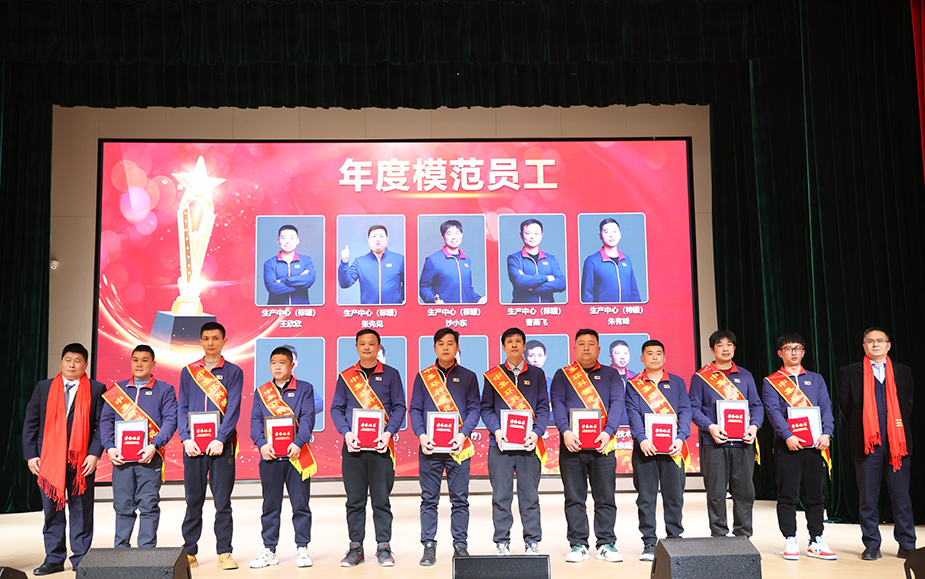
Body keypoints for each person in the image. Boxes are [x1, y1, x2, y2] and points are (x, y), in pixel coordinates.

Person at [23, 343, 106, 575]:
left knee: (82, 511)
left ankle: (81, 559)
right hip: (49, 459)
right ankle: (54, 558)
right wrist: (31, 454)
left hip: (82, 462)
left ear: (85, 365)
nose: (71, 365)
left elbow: (101, 425)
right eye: (68, 360)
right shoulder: (44, 387)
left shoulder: (96, 389)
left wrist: (94, 454)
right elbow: (31, 421)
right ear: (61, 362)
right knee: (51, 510)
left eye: (77, 361)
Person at [837, 327, 915, 560]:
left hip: (898, 445)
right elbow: (846, 407)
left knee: (901, 497)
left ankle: (907, 544)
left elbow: (907, 406)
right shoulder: (850, 372)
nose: (876, 345)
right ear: (864, 346)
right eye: (870, 341)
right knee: (868, 498)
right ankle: (871, 544)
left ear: (888, 345)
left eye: (880, 341)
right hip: (867, 444)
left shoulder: (903, 371)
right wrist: (867, 428)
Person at [330, 329, 407, 567]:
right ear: (356, 347)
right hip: (353, 448)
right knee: (355, 501)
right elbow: (336, 408)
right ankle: (356, 548)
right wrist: (346, 432)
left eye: (371, 344)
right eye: (362, 343)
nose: (366, 347)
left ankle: (384, 547)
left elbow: (399, 407)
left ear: (378, 347)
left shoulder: (391, 374)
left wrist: (388, 432)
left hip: (381, 447)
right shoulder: (346, 376)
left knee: (381, 500)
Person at [550, 329, 624, 563]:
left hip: (603, 445)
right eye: (581, 343)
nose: (586, 347)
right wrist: (565, 431)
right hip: (572, 445)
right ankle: (578, 544)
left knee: (605, 497)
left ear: (599, 349)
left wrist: (608, 432)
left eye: (591, 343)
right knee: (574, 497)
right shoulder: (563, 375)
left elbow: (617, 403)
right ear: (574, 348)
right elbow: (557, 403)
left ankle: (606, 543)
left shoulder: (611, 374)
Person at [761, 333, 836, 561]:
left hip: (815, 445)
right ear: (780, 353)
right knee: (788, 494)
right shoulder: (771, 381)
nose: (793, 352)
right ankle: (790, 539)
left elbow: (826, 407)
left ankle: (816, 539)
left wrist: (827, 433)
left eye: (797, 348)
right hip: (787, 446)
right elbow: (773, 412)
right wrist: (787, 435)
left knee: (816, 495)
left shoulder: (816, 379)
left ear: (803, 352)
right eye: (788, 348)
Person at [409, 328, 480, 565]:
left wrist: (463, 434)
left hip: (458, 447)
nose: (446, 347)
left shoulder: (469, 377)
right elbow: (415, 409)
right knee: (429, 499)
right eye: (441, 343)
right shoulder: (424, 376)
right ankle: (428, 546)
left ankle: (460, 545)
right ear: (434, 348)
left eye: (450, 343)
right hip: (430, 448)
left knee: (460, 499)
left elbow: (474, 409)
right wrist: (421, 435)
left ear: (457, 347)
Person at [177, 322, 244, 570]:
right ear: (200, 341)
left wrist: (221, 438)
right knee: (193, 500)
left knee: (222, 502)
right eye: (206, 338)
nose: (211, 343)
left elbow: (233, 408)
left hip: (221, 446)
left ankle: (224, 552)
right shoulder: (188, 371)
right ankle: (189, 552)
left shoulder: (234, 372)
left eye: (215, 338)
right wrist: (185, 438)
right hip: (193, 446)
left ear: (224, 341)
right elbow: (182, 406)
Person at [100, 345, 178, 549]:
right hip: (121, 459)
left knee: (149, 505)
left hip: (150, 457)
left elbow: (171, 420)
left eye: (144, 360)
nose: (139, 364)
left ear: (153, 363)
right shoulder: (117, 391)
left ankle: (146, 552)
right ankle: (121, 551)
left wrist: (155, 445)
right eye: (135, 360)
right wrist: (109, 446)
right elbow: (105, 421)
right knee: (122, 505)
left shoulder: (165, 390)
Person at [481, 328, 550, 556]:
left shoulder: (537, 375)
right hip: (500, 445)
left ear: (524, 346)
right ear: (503, 347)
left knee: (530, 496)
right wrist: (497, 430)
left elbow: (543, 407)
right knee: (501, 496)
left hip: (529, 445)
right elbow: (486, 408)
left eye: (518, 341)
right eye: (509, 341)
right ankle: (502, 542)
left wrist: (537, 432)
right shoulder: (493, 376)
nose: (513, 345)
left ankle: (532, 541)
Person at [688, 331, 763, 540]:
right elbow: (693, 408)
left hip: (743, 443)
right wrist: (710, 426)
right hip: (714, 443)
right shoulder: (701, 377)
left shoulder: (745, 376)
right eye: (720, 345)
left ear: (734, 348)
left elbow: (756, 405)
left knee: (744, 492)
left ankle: (743, 535)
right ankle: (719, 535)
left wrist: (754, 426)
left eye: (729, 344)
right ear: (712, 349)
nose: (725, 348)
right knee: (716, 492)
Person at [248, 346, 317, 569]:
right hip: (270, 457)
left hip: (296, 457)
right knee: (270, 506)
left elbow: (307, 418)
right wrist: (261, 444)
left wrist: (299, 442)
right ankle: (269, 550)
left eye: (282, 363)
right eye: (273, 363)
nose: (277, 367)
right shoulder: (262, 392)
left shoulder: (304, 388)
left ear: (292, 365)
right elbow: (255, 421)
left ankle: (302, 548)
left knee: (301, 505)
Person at [625, 340, 691, 561]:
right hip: (645, 450)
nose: (654, 357)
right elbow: (633, 413)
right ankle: (649, 542)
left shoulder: (677, 382)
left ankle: (674, 539)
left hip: (673, 450)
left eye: (658, 353)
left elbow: (685, 411)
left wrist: (681, 438)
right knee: (646, 498)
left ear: (664, 357)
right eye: (650, 353)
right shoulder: (634, 384)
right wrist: (642, 439)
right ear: (642, 358)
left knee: (674, 496)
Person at [419, 219, 488, 304]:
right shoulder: (433, 260)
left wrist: (479, 299)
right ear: (443, 237)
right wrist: (434, 299)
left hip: (465, 311)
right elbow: (423, 287)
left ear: (462, 235)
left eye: (457, 233)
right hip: (445, 310)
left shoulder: (466, 260)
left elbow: (467, 289)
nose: (454, 237)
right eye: (449, 234)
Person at [338, 224, 405, 305]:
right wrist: (344, 262)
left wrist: (398, 298)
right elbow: (345, 284)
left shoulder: (399, 260)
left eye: (381, 236)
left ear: (387, 239)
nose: (378, 239)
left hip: (394, 311)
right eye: (374, 236)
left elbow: (409, 284)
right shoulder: (360, 262)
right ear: (368, 240)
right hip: (369, 311)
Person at [580, 218, 641, 303]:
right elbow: (586, 295)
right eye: (606, 232)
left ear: (620, 235)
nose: (611, 235)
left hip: (625, 311)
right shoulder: (592, 261)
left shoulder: (626, 259)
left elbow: (634, 292)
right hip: (603, 310)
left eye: (614, 231)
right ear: (600, 236)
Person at [506, 218, 566, 303]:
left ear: (541, 236)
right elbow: (519, 281)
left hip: (547, 309)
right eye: (528, 233)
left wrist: (533, 288)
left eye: (536, 233)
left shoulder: (551, 259)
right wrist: (546, 278)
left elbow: (562, 283)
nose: (532, 237)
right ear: (521, 235)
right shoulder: (514, 259)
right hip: (523, 309)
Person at [263, 224, 317, 305]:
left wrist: (282, 280)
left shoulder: (306, 260)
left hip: (301, 310)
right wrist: (300, 281)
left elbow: (309, 279)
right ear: (278, 241)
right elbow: (273, 288)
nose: (287, 241)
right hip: (277, 311)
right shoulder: (269, 263)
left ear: (297, 241)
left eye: (292, 238)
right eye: (284, 238)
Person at [282, 343, 324, 416]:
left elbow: (320, 404)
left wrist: (299, 411)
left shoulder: (305, 387)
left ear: (296, 363)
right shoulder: (269, 389)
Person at [525, 339, 556, 425]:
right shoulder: (517, 383)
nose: (536, 360)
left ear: (545, 358)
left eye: (540, 355)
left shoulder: (552, 383)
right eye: (531, 356)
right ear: (524, 358)